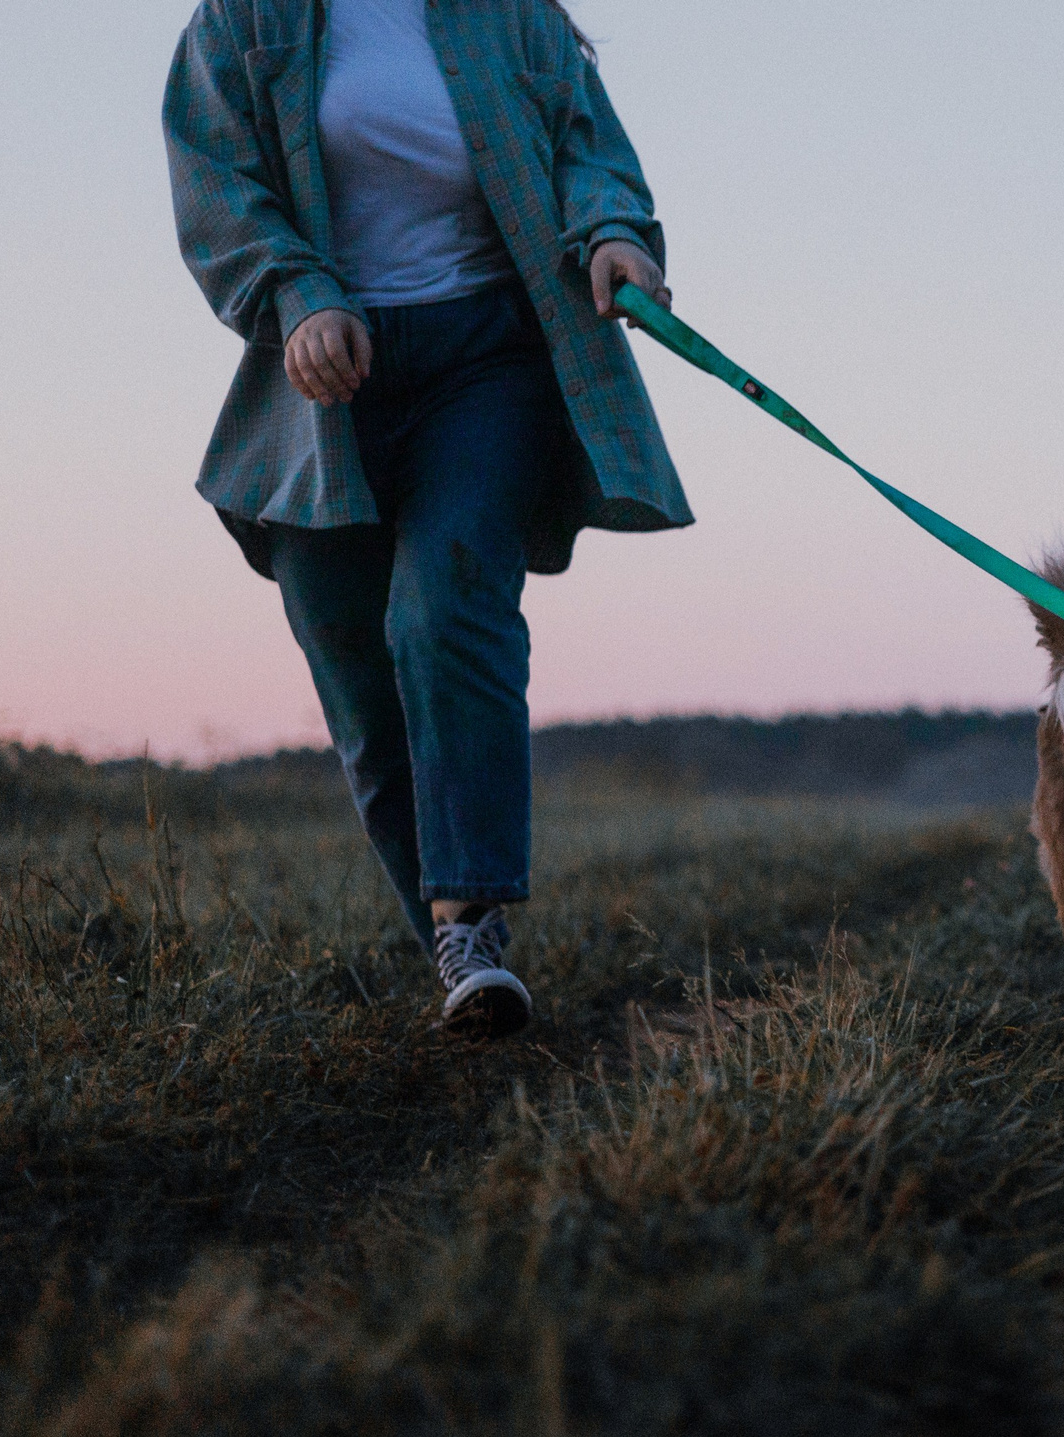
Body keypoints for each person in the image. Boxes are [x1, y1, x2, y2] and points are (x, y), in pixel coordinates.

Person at [163, 0, 691, 1038]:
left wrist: (614, 233)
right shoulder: (240, 21)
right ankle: (452, 950)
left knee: (446, 607)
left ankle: (470, 919)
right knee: (357, 668)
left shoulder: (510, 17)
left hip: (484, 359)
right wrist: (299, 291)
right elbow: (217, 180)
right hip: (318, 380)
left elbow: (586, 146)